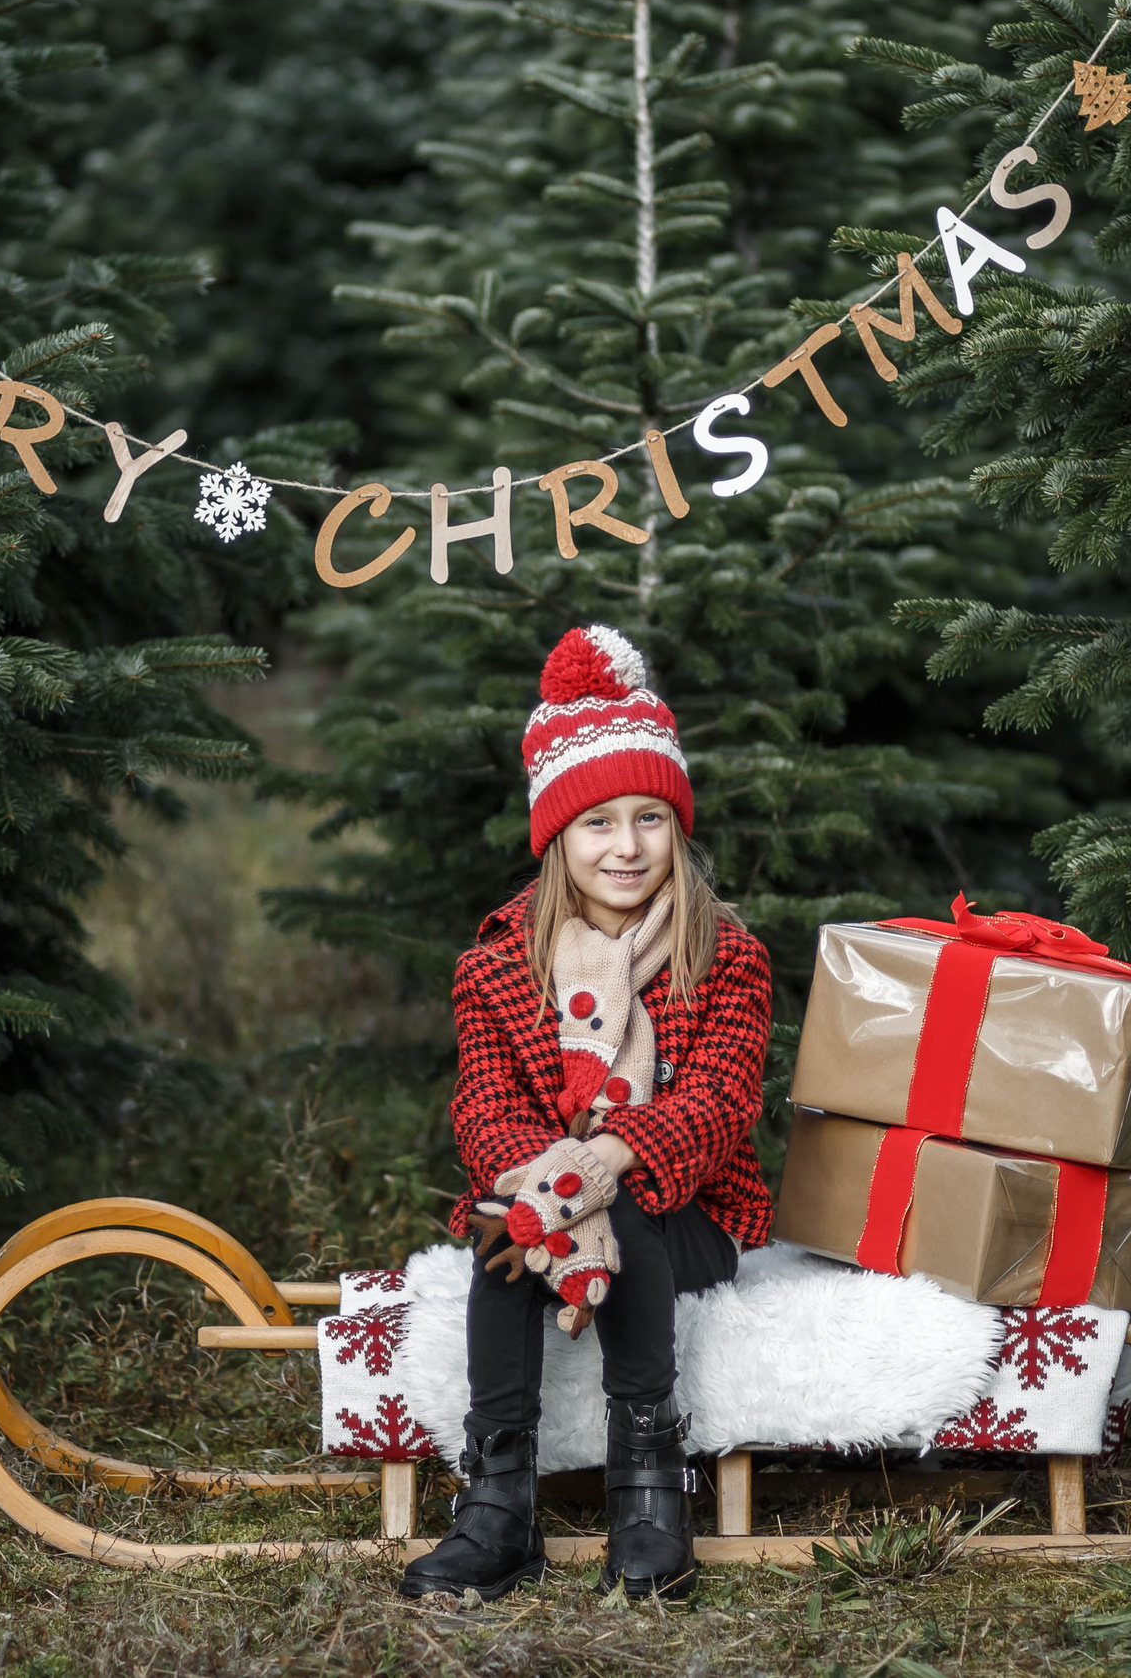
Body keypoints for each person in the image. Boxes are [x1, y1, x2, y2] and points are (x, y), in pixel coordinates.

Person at [399, 625, 773, 1603]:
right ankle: (496, 1507)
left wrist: (602, 1167)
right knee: (498, 1231)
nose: (626, 846)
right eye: (598, 822)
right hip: (539, 1201)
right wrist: (564, 1193)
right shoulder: (493, 967)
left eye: (649, 818)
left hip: (689, 1216)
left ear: (676, 828)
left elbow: (720, 1101)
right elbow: (485, 1109)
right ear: (558, 836)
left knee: (636, 1210)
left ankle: (647, 1487)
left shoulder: (726, 954)